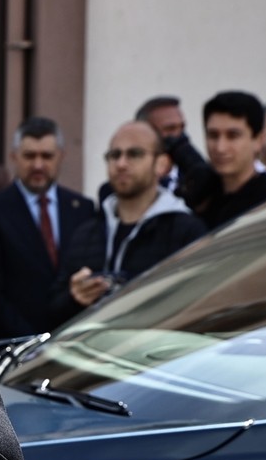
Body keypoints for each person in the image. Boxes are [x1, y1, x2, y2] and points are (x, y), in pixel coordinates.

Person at [49, 120, 205, 327]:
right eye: (114, 155)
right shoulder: (87, 232)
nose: (121, 164)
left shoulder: (187, 232)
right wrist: (74, 299)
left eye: (135, 154)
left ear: (161, 164)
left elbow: (199, 309)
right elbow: (52, 313)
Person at [0, 116, 94, 338]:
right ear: (14, 157)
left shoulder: (82, 208)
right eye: (29, 156)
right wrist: (29, 339)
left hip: (73, 337)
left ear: (61, 157)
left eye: (46, 156)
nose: (38, 165)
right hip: (17, 341)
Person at [196, 90, 266, 230]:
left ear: (258, 140)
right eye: (213, 135)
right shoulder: (199, 194)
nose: (220, 148)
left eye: (233, 136)